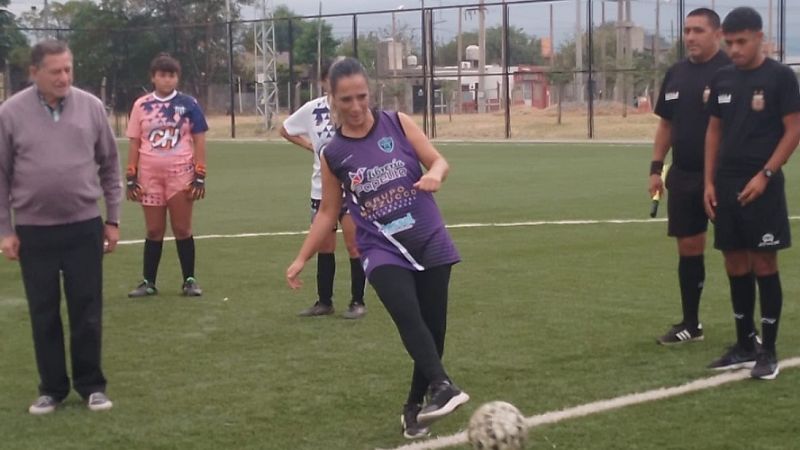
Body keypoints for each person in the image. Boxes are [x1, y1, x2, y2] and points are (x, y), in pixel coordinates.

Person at [285, 58, 469, 439]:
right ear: (332, 99)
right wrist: (302, 257)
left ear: (371, 93)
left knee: (433, 333)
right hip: (379, 246)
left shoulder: (398, 123)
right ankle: (442, 386)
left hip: (428, 237)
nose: (355, 107)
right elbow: (329, 213)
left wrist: (434, 174)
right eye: (346, 99)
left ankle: (413, 410)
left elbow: (437, 161)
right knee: (408, 316)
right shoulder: (332, 152)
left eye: (362, 97)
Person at [0, 40, 121, 414]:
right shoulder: (10, 113)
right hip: (34, 230)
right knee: (44, 311)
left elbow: (110, 165)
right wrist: (5, 229)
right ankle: (51, 388)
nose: (64, 77)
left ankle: (91, 386)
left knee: (87, 309)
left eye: (68, 69)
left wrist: (113, 218)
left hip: (84, 226)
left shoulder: (91, 107)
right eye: (55, 71)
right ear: (34, 73)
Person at [704, 7, 800, 379]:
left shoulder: (780, 78)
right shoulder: (723, 78)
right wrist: (709, 182)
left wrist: (766, 174)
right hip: (726, 185)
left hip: (763, 184)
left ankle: (769, 352)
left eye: (741, 42)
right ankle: (745, 344)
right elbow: (714, 131)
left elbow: (793, 130)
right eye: (729, 42)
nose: (734, 49)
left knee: (764, 264)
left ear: (760, 37)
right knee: (734, 263)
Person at [649, 8, 730, 345]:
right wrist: (656, 168)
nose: (691, 37)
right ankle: (691, 324)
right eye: (687, 30)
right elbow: (666, 124)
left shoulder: (731, 71)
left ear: (717, 33)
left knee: (739, 252)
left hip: (727, 177)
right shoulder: (677, 74)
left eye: (698, 30)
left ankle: (749, 332)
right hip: (683, 175)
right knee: (689, 248)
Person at [280, 61, 367, 319]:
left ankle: (357, 301)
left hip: (353, 188)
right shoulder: (313, 109)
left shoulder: (356, 109)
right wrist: (311, 147)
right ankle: (324, 301)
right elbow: (285, 129)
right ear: (323, 82)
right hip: (321, 188)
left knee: (354, 245)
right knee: (324, 246)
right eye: (331, 78)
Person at [125, 53, 209, 298]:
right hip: (149, 176)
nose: (167, 80)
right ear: (153, 77)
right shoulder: (141, 105)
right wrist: (131, 175)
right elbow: (133, 142)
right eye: (162, 75)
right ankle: (148, 282)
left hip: (180, 174)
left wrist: (200, 173)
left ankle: (190, 280)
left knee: (182, 228)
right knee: (153, 230)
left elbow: (199, 138)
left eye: (171, 75)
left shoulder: (189, 104)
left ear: (177, 78)